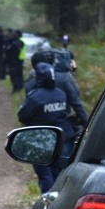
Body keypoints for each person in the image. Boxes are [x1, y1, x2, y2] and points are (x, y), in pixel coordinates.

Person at [17, 62, 74, 193]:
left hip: (41, 140)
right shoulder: (61, 94)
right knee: (58, 172)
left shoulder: (34, 97)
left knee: (45, 174)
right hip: (62, 139)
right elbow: (66, 112)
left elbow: (22, 116)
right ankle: (60, 202)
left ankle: (48, 205)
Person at [25, 50, 88, 130]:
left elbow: (26, 112)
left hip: (39, 129)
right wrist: (86, 123)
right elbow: (76, 102)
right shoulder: (64, 78)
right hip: (63, 126)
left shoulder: (31, 79)